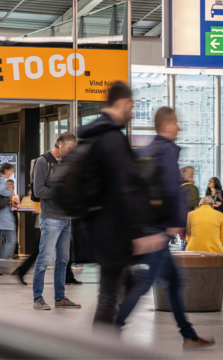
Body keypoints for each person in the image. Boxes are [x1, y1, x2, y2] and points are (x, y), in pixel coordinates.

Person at [112, 106, 214, 349]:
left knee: (175, 279)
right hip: (157, 229)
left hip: (146, 226)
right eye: (176, 122)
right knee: (145, 283)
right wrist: (173, 225)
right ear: (167, 125)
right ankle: (112, 330)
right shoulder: (167, 150)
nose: (179, 127)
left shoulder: (147, 150)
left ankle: (188, 335)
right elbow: (170, 189)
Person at [77, 82, 144, 330]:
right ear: (122, 102)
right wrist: (137, 234)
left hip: (97, 227)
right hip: (113, 231)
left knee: (122, 285)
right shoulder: (113, 138)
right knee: (108, 296)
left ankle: (107, 340)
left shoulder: (93, 134)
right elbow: (125, 189)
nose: (133, 112)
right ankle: (102, 347)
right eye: (132, 106)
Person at [31, 132, 81, 310]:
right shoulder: (43, 161)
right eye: (69, 148)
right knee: (44, 259)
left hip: (67, 218)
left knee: (63, 260)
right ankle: (38, 299)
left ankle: (60, 298)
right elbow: (38, 191)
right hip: (51, 218)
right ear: (59, 144)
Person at [186, 197, 223, 271]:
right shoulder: (219, 215)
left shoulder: (190, 214)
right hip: (214, 250)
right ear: (212, 206)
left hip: (193, 250)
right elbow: (222, 239)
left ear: (200, 205)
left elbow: (188, 238)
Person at [179, 166, 200, 249]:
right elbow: (193, 203)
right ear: (191, 176)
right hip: (191, 219)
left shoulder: (180, 187)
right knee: (189, 243)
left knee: (187, 242)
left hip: (182, 218)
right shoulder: (192, 188)